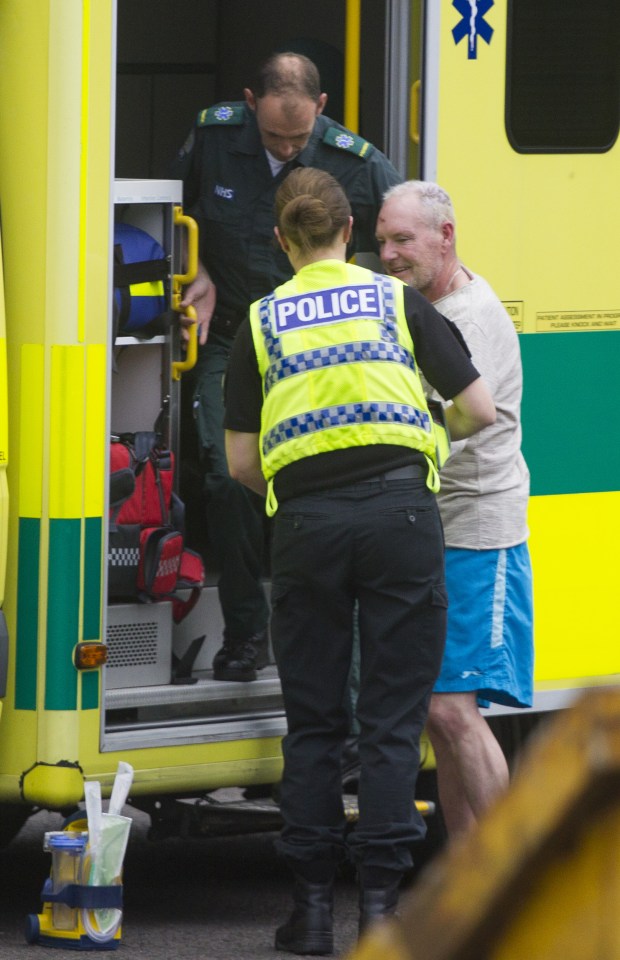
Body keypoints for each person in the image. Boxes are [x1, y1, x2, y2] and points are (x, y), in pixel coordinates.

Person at [224, 167, 495, 953]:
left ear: (282, 242)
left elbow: (241, 465)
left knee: (313, 724)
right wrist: (422, 430)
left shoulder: (261, 321)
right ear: (352, 231)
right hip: (400, 519)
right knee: (389, 722)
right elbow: (480, 408)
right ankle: (380, 910)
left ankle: (310, 914)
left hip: (307, 528)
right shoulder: (394, 301)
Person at [171, 52, 402, 682]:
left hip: (315, 341)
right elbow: (166, 214)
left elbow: (404, 230)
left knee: (319, 476)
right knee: (226, 475)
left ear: (321, 111)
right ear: (250, 102)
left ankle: (312, 628)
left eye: (299, 138)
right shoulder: (214, 138)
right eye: (274, 135)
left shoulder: (355, 161)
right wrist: (199, 270)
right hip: (231, 333)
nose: (285, 147)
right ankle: (245, 632)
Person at [376, 180, 534, 839]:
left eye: (403, 240)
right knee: (441, 720)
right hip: (433, 533)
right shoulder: (421, 306)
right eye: (381, 239)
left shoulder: (467, 318)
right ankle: (467, 882)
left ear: (446, 237)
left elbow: (465, 424)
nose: (388, 254)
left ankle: (515, 882)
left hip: (477, 533)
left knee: (450, 712)